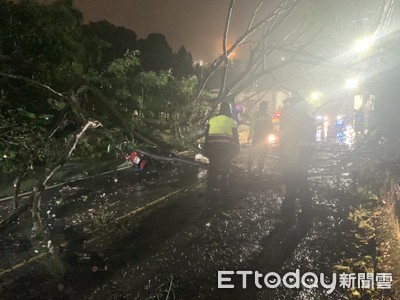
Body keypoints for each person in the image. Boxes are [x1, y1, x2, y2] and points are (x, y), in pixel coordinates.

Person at [279, 95, 315, 223]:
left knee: (292, 183)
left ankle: (288, 209)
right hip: (305, 157)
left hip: (294, 157)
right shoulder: (310, 120)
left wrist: (284, 155)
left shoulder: (295, 120)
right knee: (303, 182)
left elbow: (289, 140)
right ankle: (307, 209)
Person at [203, 102, 240, 201]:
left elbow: (206, 137)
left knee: (212, 172)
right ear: (229, 110)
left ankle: (210, 194)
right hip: (225, 151)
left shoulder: (212, 120)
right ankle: (223, 195)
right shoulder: (232, 121)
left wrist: (205, 149)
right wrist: (237, 150)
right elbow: (236, 138)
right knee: (224, 173)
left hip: (213, 150)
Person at [247, 101, 273, 173]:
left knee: (253, 152)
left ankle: (249, 167)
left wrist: (250, 136)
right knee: (263, 153)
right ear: (266, 108)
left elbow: (252, 126)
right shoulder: (268, 117)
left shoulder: (256, 115)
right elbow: (271, 128)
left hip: (257, 136)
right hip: (265, 138)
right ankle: (260, 168)